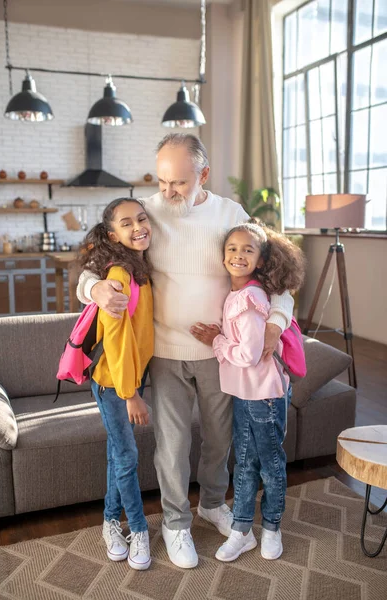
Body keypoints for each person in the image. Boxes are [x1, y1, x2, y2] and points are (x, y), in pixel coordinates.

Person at [77, 134, 294, 569]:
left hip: (220, 353)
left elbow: (278, 276)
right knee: (172, 445)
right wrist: (95, 288)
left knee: (220, 439)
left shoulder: (232, 214)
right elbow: (89, 268)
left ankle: (213, 504)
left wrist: (276, 321)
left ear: (204, 175)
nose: (167, 191)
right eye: (161, 180)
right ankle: (174, 524)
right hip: (164, 352)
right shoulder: (144, 214)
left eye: (177, 182)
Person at [191, 222, 305, 562]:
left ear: (261, 259)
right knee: (243, 462)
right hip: (244, 391)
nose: (238, 255)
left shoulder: (251, 299)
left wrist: (216, 340)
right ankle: (242, 530)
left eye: (247, 250)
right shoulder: (238, 295)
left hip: (265, 395)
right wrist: (223, 334)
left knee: (269, 464)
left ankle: (271, 527)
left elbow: (248, 355)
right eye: (232, 248)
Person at [79, 197, 153, 571]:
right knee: (127, 457)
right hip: (113, 383)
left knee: (117, 455)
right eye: (127, 223)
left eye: (142, 218)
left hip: (122, 380)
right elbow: (119, 340)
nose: (138, 226)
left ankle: (109, 521)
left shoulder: (138, 267)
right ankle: (138, 529)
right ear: (113, 234)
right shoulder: (119, 276)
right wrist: (131, 394)